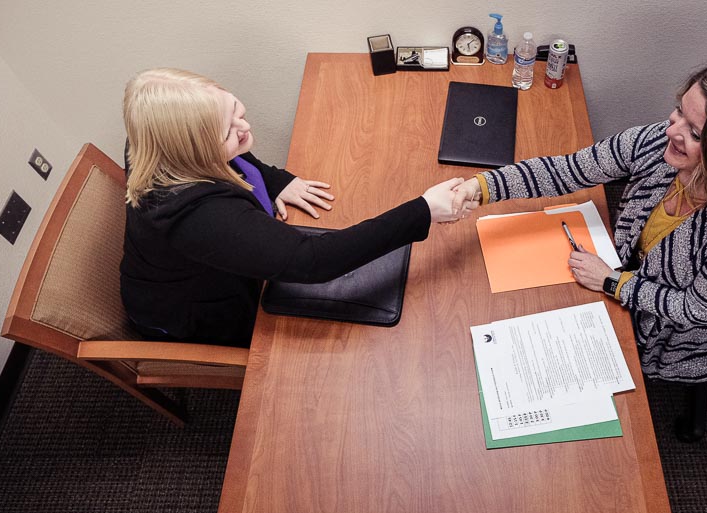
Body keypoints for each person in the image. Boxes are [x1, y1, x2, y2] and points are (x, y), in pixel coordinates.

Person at [456, 54, 707, 383]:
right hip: (620, 272)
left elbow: (692, 310)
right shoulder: (661, 141)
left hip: (669, 341)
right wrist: (481, 187)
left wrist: (612, 282)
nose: (671, 130)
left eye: (696, 132)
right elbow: (570, 170)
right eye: (679, 111)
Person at [121, 68, 477, 347]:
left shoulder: (155, 139)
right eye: (229, 134)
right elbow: (313, 262)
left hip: (209, 268)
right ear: (191, 150)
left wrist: (275, 180)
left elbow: (233, 156)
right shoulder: (199, 218)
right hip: (200, 313)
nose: (244, 127)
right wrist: (425, 210)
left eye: (235, 110)